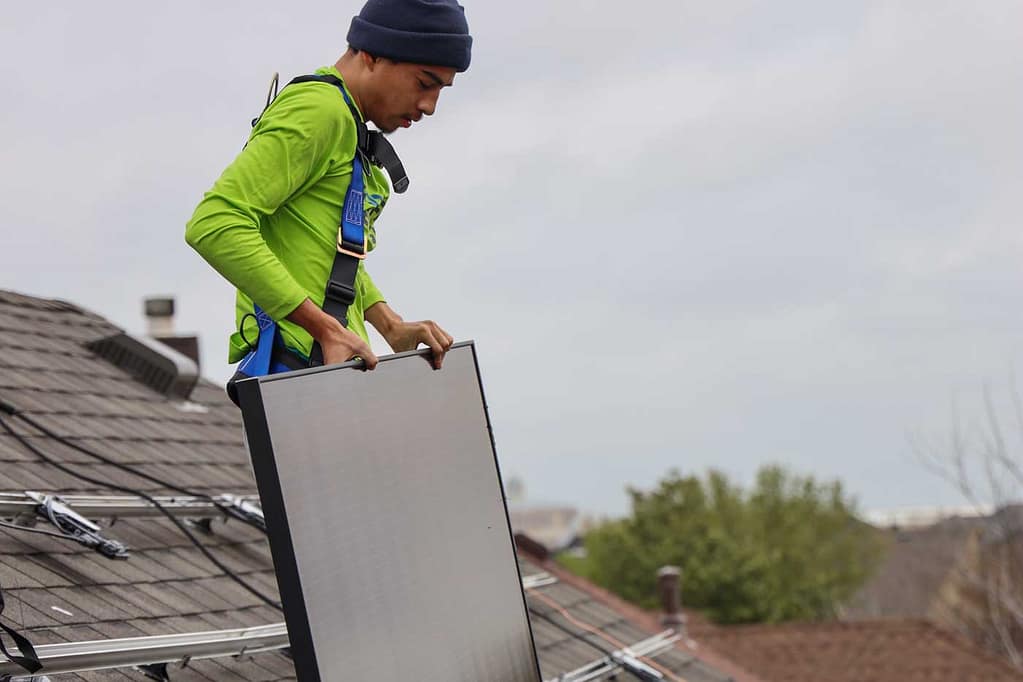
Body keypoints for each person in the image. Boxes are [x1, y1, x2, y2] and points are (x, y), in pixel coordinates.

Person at [185, 0, 471, 396]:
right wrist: (322, 327)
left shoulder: (344, 120)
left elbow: (323, 247)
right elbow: (214, 223)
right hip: (297, 374)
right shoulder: (319, 112)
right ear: (372, 55)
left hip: (329, 372)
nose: (430, 106)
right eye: (425, 83)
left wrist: (389, 324)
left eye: (442, 89)